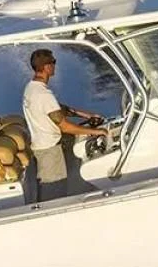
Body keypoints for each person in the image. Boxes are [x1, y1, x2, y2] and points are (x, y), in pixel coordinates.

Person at [22, 48, 107, 201]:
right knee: (53, 196)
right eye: (53, 62)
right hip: (50, 152)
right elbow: (65, 126)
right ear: (47, 67)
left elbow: (57, 109)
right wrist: (97, 132)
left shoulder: (31, 88)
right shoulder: (44, 94)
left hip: (42, 148)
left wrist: (86, 115)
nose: (55, 65)